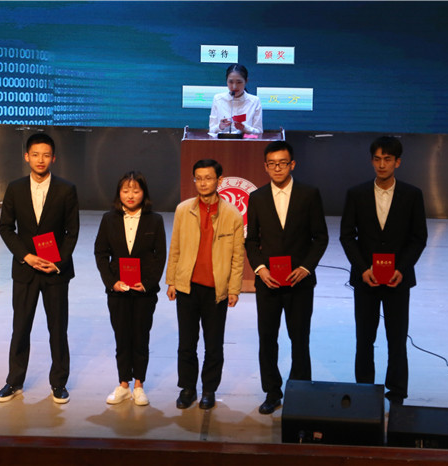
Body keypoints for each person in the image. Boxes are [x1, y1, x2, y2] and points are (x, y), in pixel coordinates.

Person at [339, 135, 427, 406]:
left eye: (387, 159)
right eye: (377, 159)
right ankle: (365, 390)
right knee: (364, 338)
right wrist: (362, 268)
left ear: (397, 162)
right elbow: (347, 236)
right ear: (371, 161)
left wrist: (402, 268)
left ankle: (397, 392)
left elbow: (418, 237)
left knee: (397, 338)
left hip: (398, 280)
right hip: (366, 279)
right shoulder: (356, 194)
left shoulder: (412, 195)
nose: (381, 164)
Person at [0, 133, 80, 404]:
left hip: (55, 271)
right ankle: (14, 381)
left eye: (46, 155)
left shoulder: (66, 189)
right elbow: (5, 228)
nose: (40, 159)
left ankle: (59, 383)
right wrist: (26, 256)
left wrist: (58, 262)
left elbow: (72, 231)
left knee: (58, 328)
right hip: (26, 270)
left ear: (53, 158)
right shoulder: (15, 188)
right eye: (35, 154)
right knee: (20, 327)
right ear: (26, 157)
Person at [245, 140, 329, 415]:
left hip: (299, 282)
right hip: (268, 281)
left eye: (282, 163)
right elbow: (251, 240)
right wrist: (260, 269)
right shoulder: (257, 197)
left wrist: (306, 267)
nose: (277, 168)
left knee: (299, 338)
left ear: (292, 164)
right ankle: (272, 392)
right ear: (265, 167)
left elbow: (320, 237)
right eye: (272, 164)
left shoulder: (309, 194)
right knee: (267, 338)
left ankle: (300, 392)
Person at [166, 159, 245, 410]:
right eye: (198, 178)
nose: (203, 183)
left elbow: (237, 256)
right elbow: (175, 247)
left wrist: (234, 288)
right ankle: (187, 388)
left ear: (219, 180)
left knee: (213, 344)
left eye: (208, 178)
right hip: (187, 287)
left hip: (216, 290)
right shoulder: (183, 210)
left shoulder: (232, 214)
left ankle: (209, 389)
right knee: (186, 343)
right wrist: (171, 280)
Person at [94, 171, 167, 406]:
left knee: (141, 337)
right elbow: (101, 253)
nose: (131, 195)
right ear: (119, 193)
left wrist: (148, 283)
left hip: (144, 291)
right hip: (118, 290)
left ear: (144, 193)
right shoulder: (109, 219)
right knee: (122, 337)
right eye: (126, 191)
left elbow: (160, 256)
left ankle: (139, 385)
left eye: (136, 190)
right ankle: (123, 384)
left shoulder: (154, 220)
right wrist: (111, 282)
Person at [209, 64, 263, 136]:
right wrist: (220, 126)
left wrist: (245, 128)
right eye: (231, 82)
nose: (234, 86)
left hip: (246, 142)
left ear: (246, 81)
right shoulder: (218, 99)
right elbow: (211, 130)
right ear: (226, 81)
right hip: (223, 141)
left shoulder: (254, 101)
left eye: (239, 82)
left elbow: (259, 132)